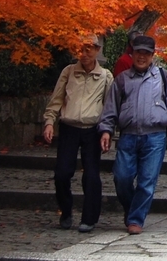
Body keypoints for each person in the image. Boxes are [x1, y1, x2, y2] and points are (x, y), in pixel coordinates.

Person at [98, 34, 167, 235]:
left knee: (147, 181)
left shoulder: (162, 77)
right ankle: (132, 210)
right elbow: (110, 108)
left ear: (152, 55)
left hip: (155, 136)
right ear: (133, 53)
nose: (142, 57)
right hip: (128, 135)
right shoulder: (122, 80)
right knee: (121, 177)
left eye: (146, 53)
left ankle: (136, 219)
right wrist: (105, 130)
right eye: (138, 52)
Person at [43, 34, 113, 232]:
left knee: (91, 175)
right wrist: (49, 121)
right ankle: (65, 211)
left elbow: (109, 106)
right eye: (81, 49)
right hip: (69, 127)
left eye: (90, 48)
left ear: (97, 50)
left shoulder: (105, 76)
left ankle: (89, 218)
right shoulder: (68, 72)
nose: (85, 53)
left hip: (93, 129)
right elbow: (56, 99)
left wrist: (107, 130)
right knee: (62, 173)